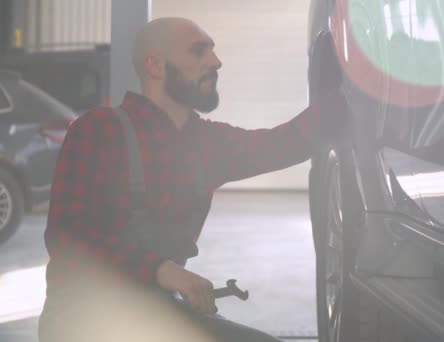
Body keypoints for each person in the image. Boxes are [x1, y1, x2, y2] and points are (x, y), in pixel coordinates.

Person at [38, 17, 349, 342]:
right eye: (198, 52)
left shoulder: (207, 142)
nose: (216, 62)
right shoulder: (98, 129)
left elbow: (284, 143)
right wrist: (162, 269)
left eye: (212, 52)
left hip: (155, 312)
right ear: (155, 65)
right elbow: (66, 236)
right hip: (83, 317)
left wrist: (352, 92)